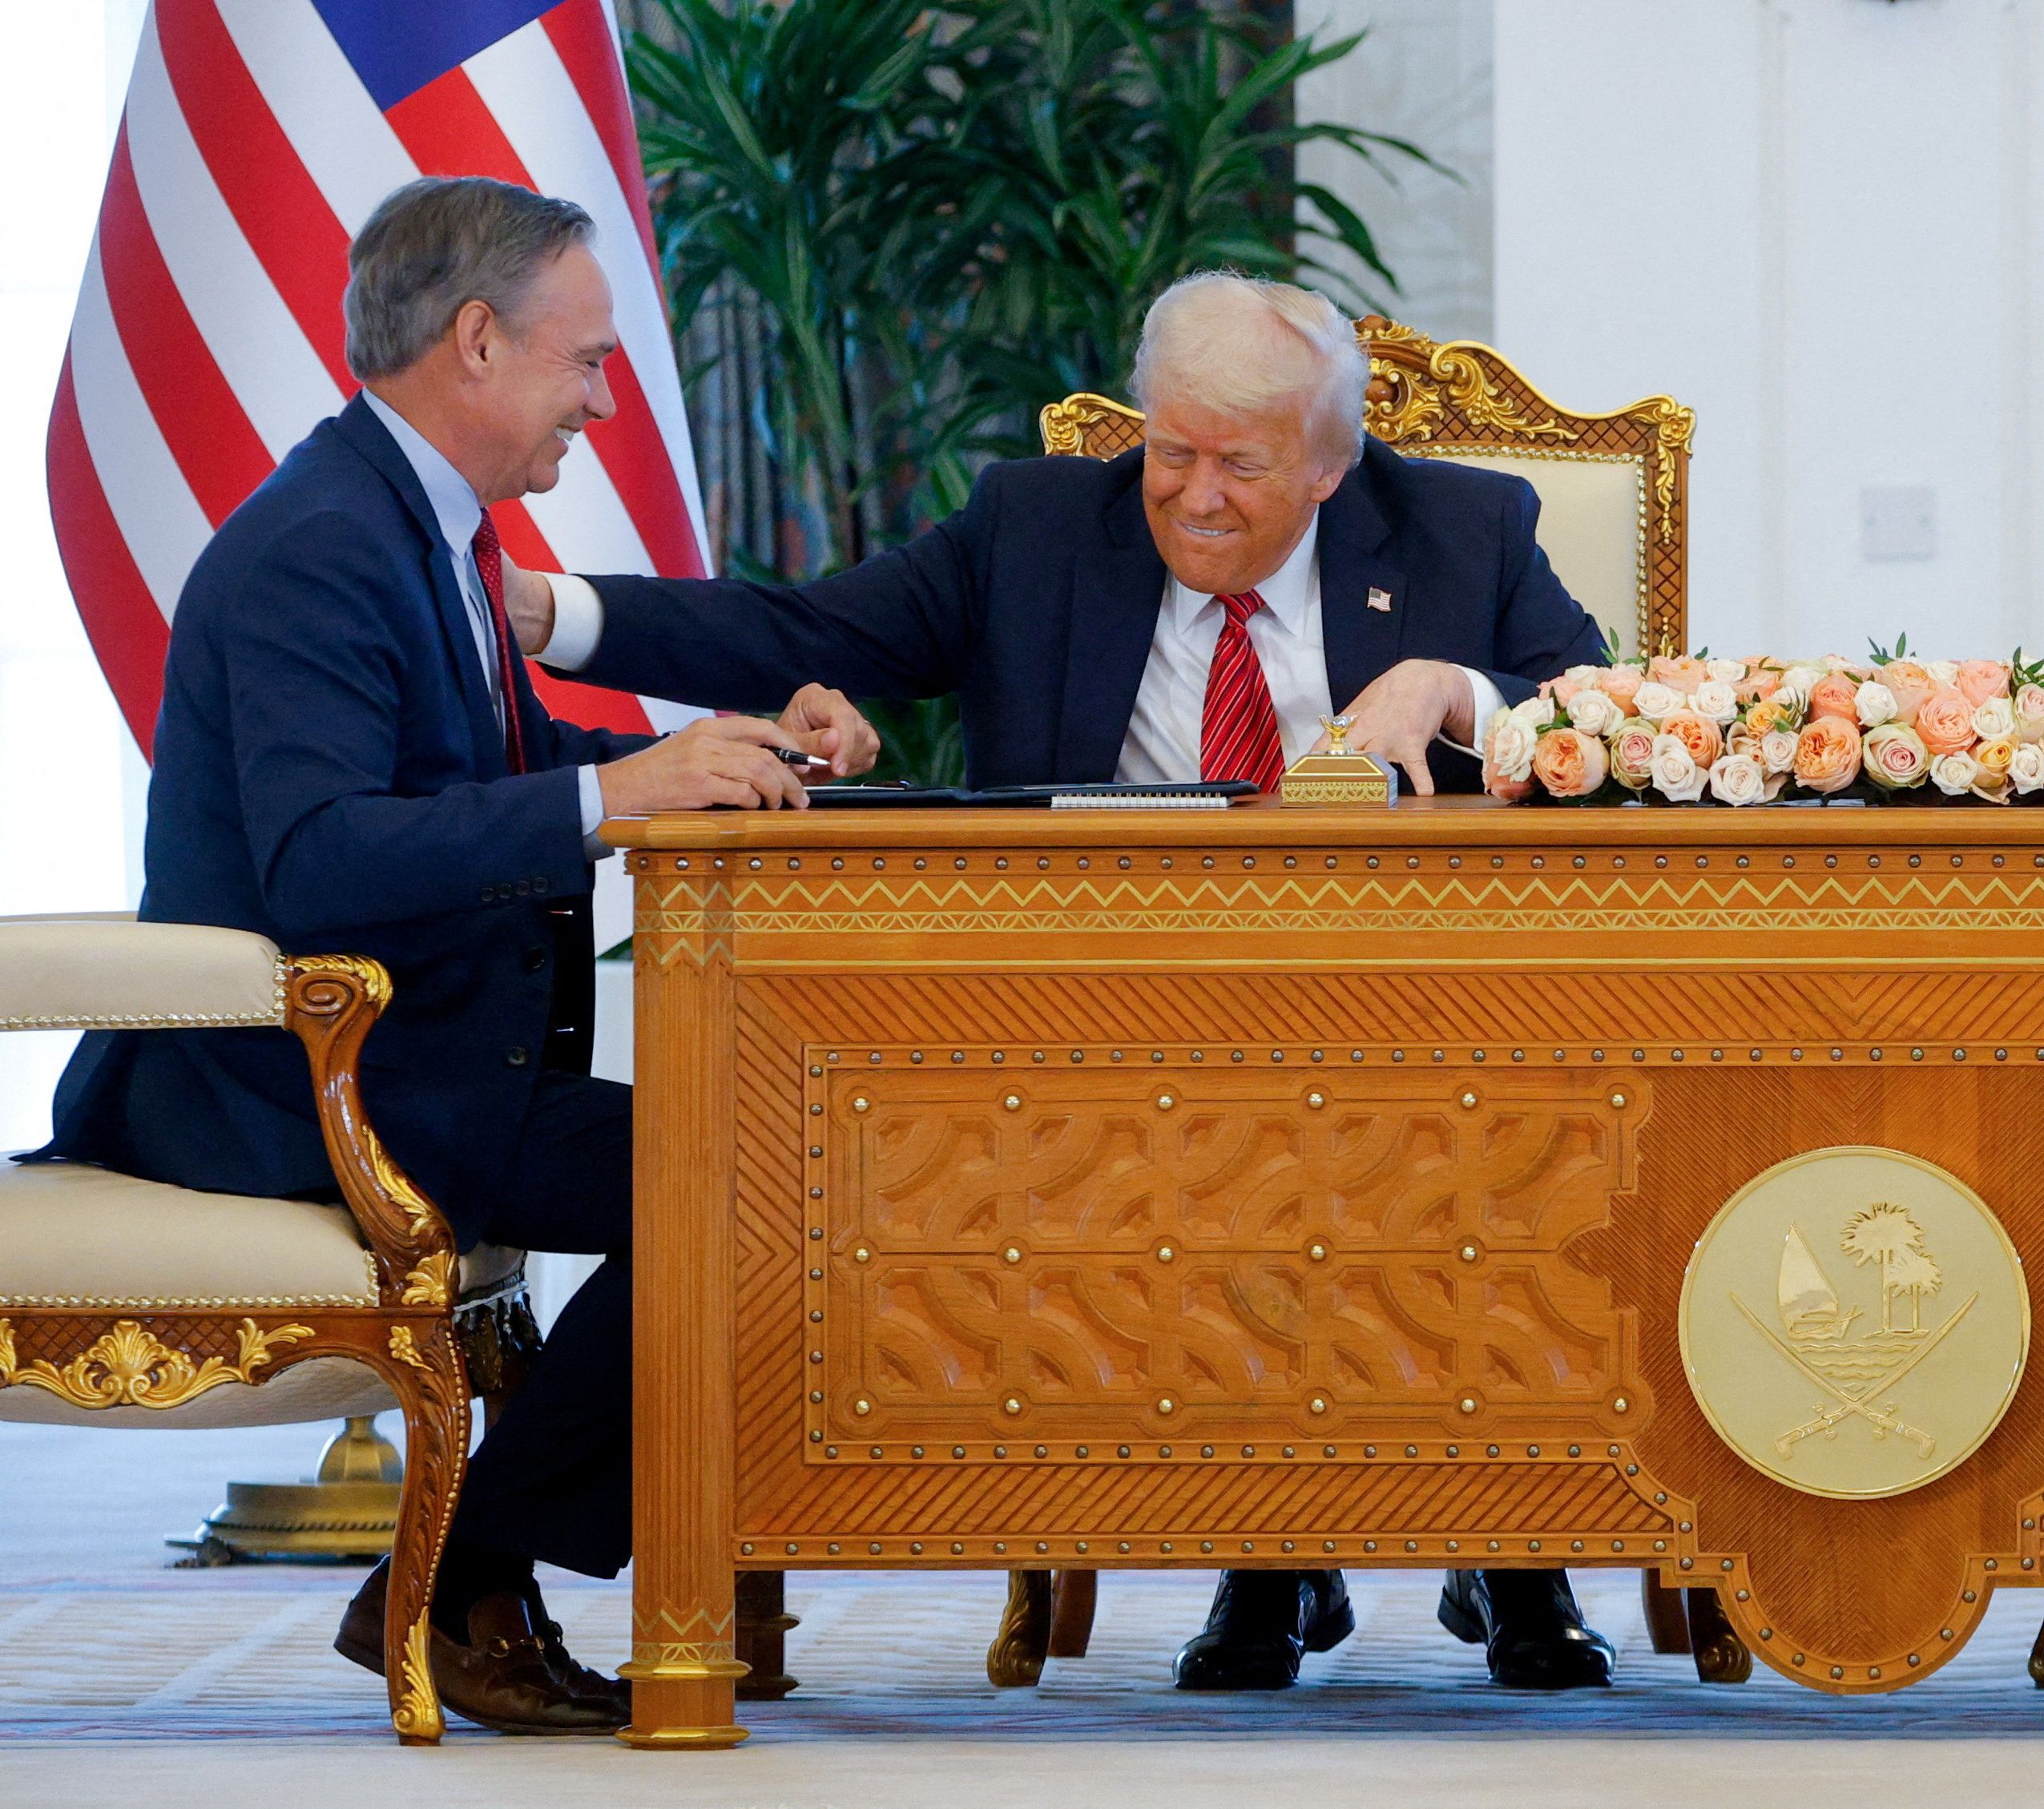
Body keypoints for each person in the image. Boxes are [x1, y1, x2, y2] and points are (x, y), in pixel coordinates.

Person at [500, 269, 1619, 1691]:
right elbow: (805, 632)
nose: (1195, 496)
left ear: (1333, 465)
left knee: (1446, 1123)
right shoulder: (1037, 529)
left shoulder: (1464, 526)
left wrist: (1452, 690)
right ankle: (1268, 1557)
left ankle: (1516, 1552)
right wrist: (553, 613)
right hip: (1102, 1023)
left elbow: (1608, 723)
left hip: (1415, 1007)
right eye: (1169, 451)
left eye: (1242, 463)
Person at [32, 176, 878, 1735]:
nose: (608, 403)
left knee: (772, 1160)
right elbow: (324, 856)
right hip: (297, 1085)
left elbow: (471, 760)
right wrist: (612, 796)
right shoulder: (319, 547)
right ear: (479, 342)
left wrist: (709, 755)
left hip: (421, 1062)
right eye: (590, 362)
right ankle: (465, 1582)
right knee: (751, 1180)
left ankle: (478, 1574)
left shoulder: (415, 521)